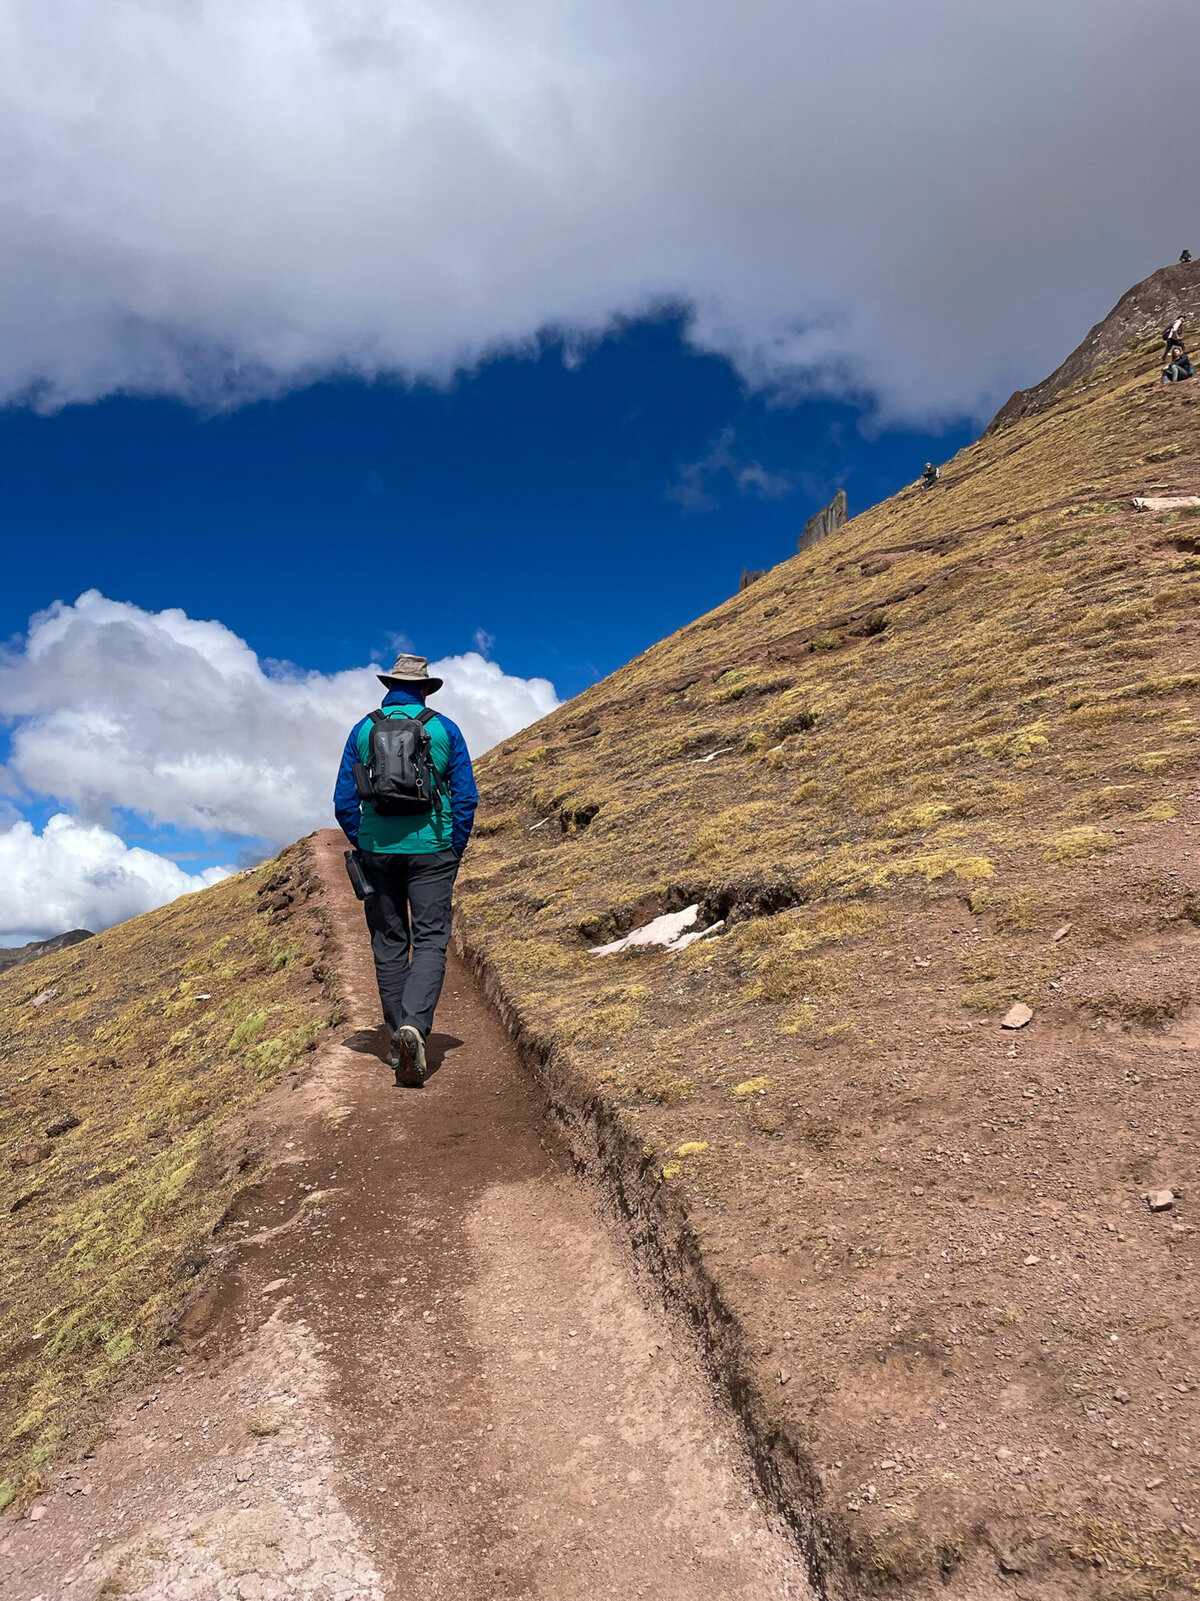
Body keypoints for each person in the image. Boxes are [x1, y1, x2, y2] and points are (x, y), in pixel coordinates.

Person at [334, 652, 478, 1087]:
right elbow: (465, 796)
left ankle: (399, 1040)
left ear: (389, 686)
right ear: (425, 687)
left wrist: (367, 841)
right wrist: (451, 847)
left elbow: (344, 802)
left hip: (378, 850)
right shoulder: (443, 727)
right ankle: (416, 1026)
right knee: (432, 939)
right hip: (433, 849)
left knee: (389, 942)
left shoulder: (363, 729)